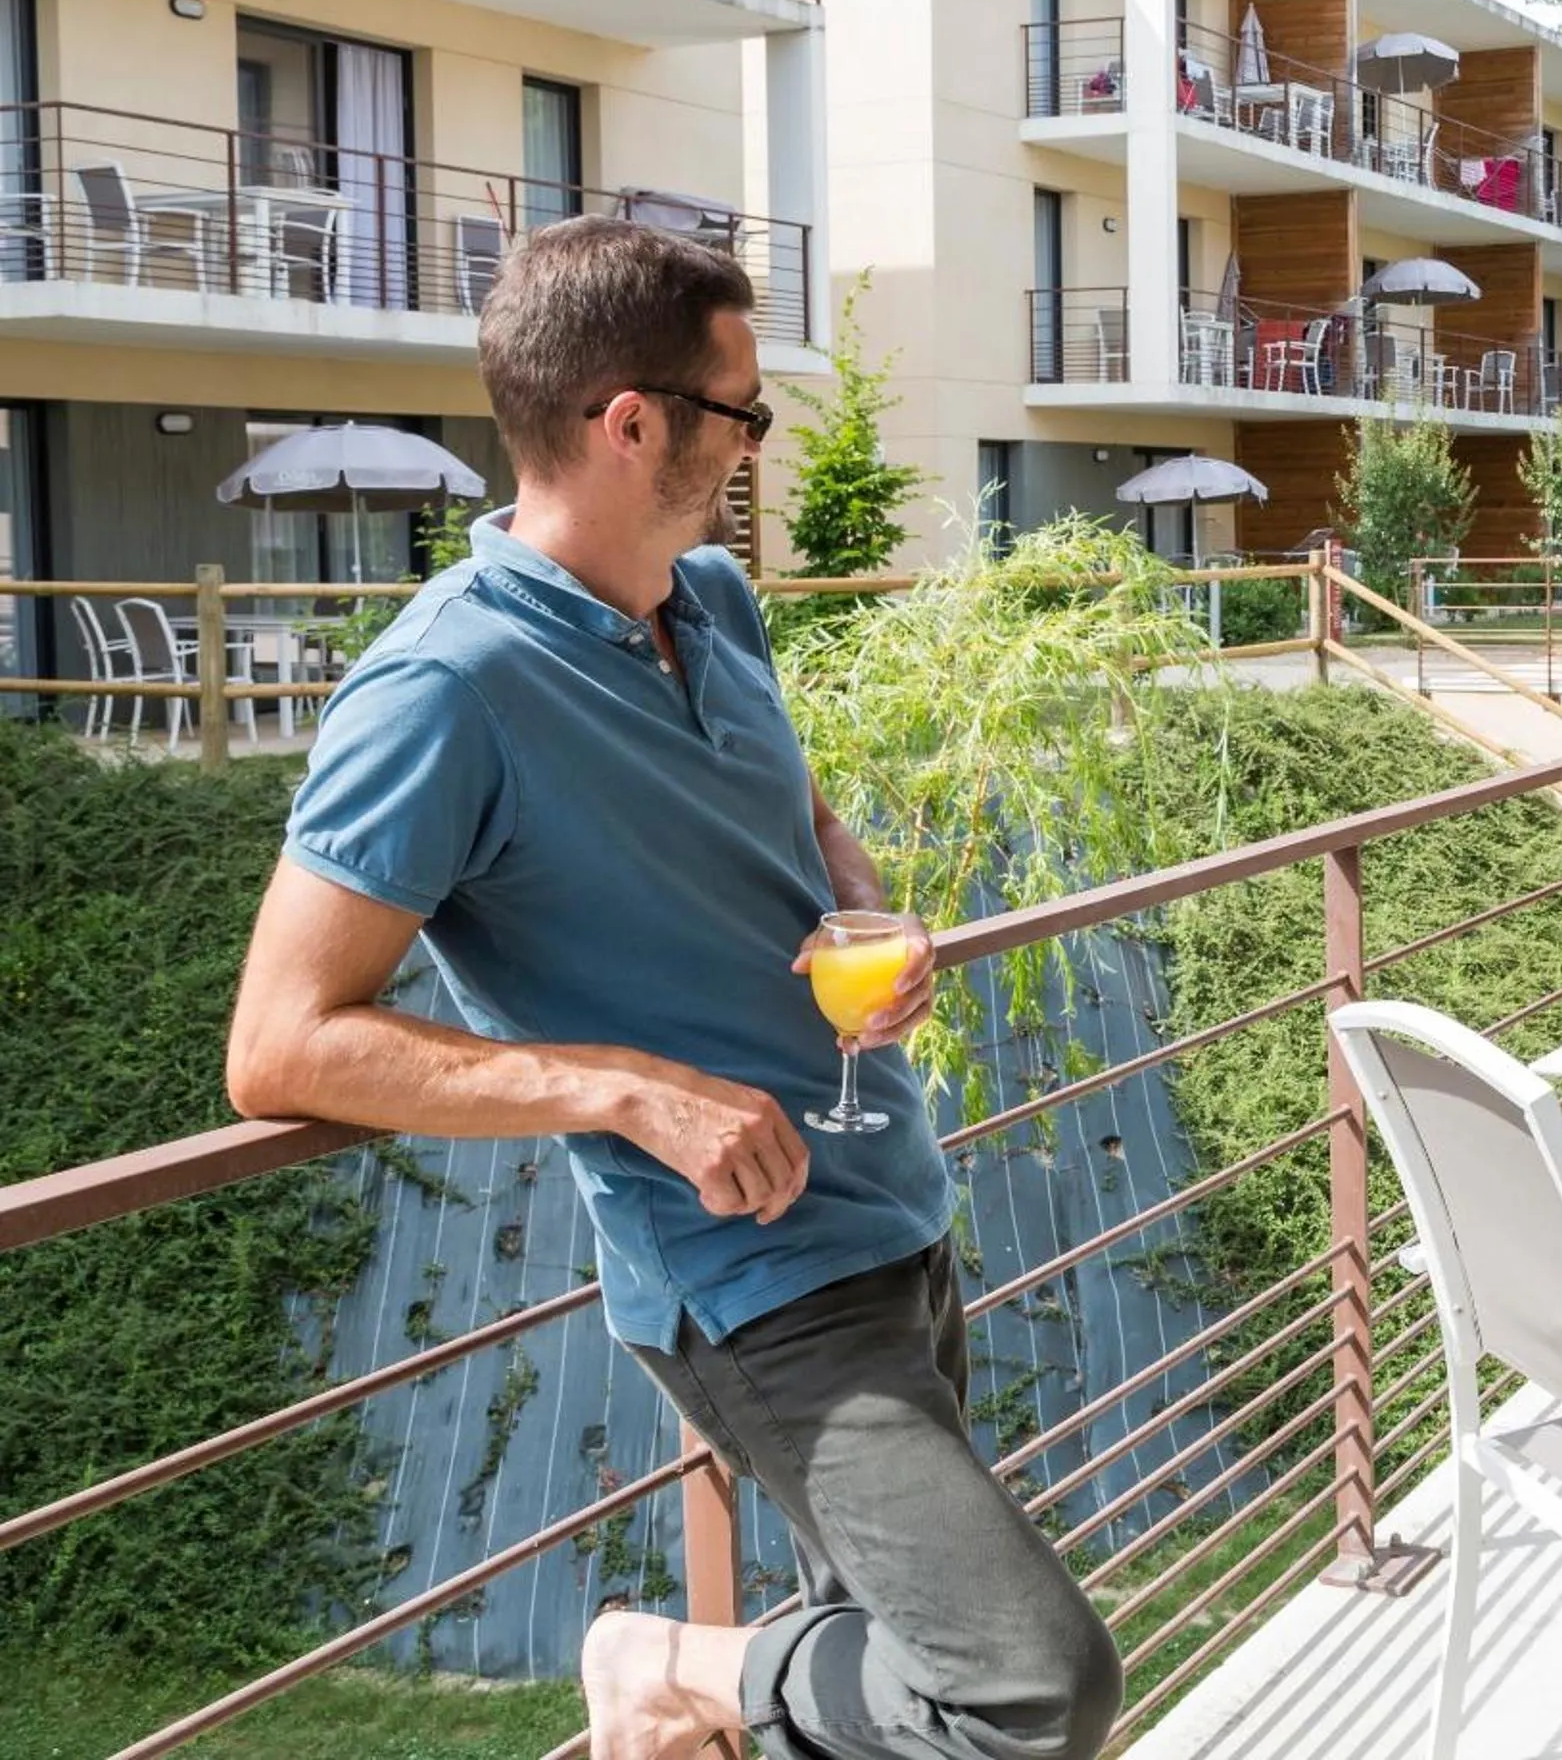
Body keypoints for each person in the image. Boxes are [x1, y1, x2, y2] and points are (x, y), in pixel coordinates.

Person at [224, 219, 1122, 1760]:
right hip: (749, 1268)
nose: (758, 441)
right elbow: (279, 1044)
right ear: (631, 422)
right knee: (1027, 1689)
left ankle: (705, 1693)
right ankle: (658, 1662)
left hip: (892, 1205)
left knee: (904, 1695)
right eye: (741, 411)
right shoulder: (443, 689)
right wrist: (629, 1092)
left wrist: (860, 909)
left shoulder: (711, 598)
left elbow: (796, 812)